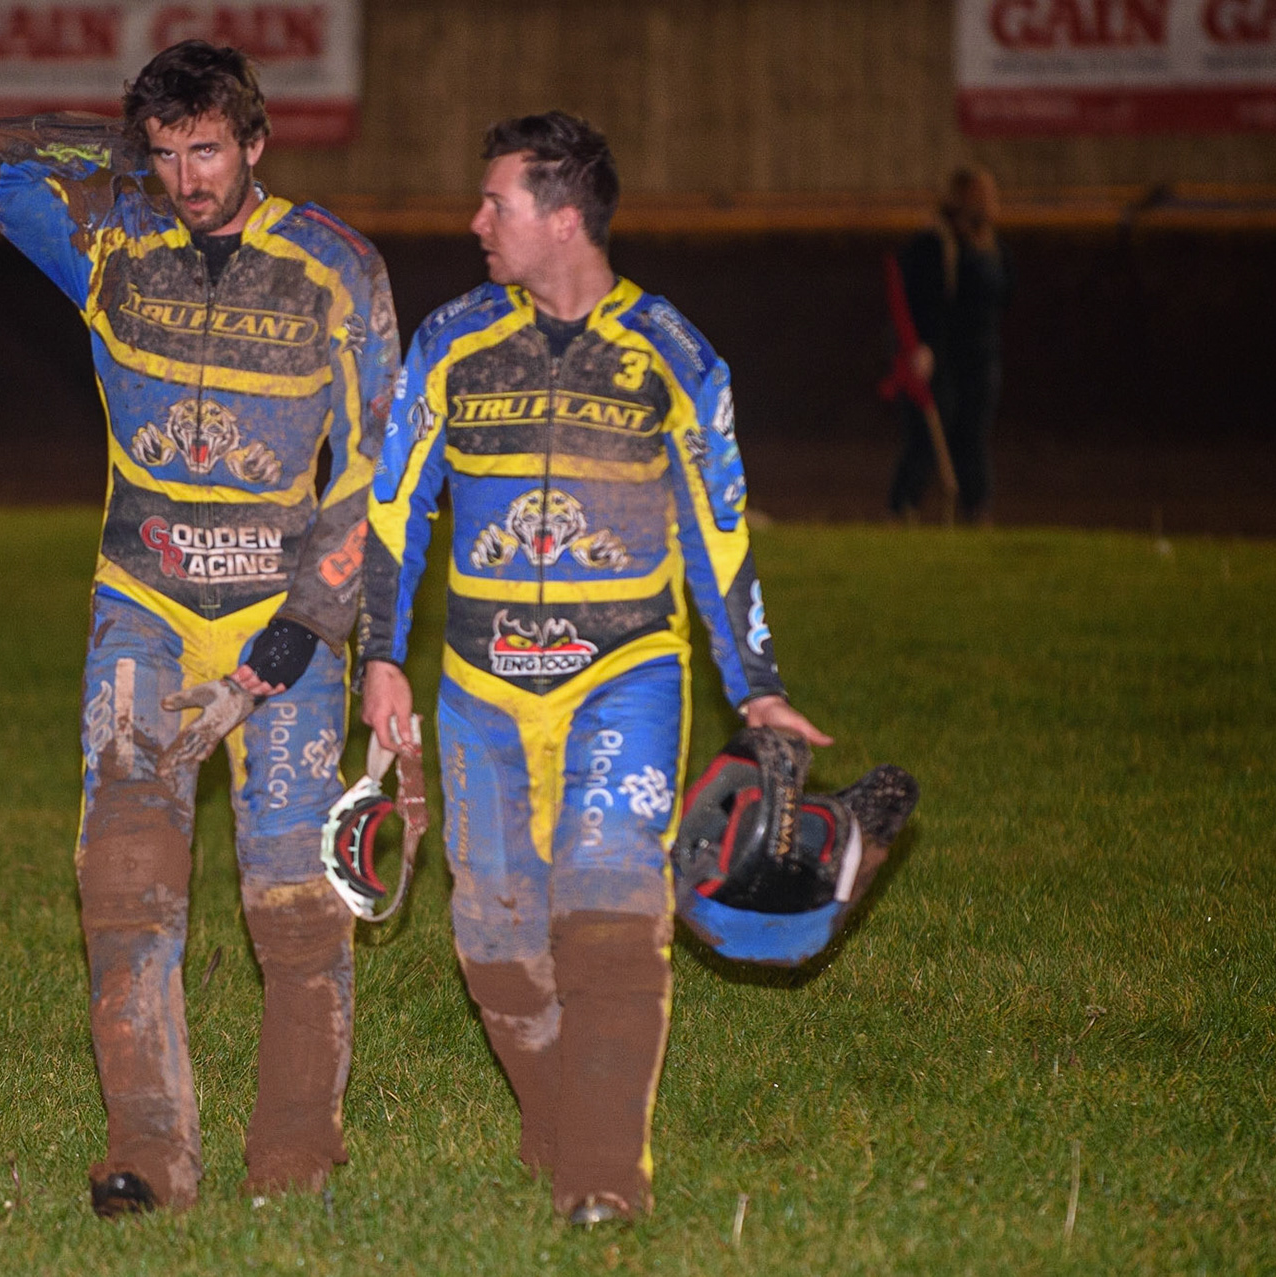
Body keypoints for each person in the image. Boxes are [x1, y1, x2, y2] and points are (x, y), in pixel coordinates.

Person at [0, 40, 398, 1217]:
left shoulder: (336, 270)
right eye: (169, 152)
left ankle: (296, 1149)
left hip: (281, 624)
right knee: (124, 883)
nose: (190, 176)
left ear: (256, 142)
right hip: (140, 610)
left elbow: (375, 486)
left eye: (209, 148)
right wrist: (118, 155)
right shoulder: (111, 244)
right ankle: (148, 1150)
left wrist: (308, 635)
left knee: (293, 901)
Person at [357, 111, 830, 1225]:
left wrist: (754, 677)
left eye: (497, 203)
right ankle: (562, 1115)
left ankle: (605, 1175)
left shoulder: (674, 353)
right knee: (494, 939)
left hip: (627, 672)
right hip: (478, 686)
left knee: (611, 911)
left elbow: (721, 531)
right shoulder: (454, 340)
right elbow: (393, 510)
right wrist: (381, 659)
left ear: (563, 218)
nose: (476, 221)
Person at [887, 166, 1013, 523]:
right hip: (938, 359)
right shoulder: (934, 244)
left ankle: (976, 511)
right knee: (925, 439)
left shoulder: (992, 246)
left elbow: (1004, 294)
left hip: (980, 359)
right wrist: (918, 347)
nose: (989, 203)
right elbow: (913, 300)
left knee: (972, 438)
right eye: (981, 194)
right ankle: (902, 509)